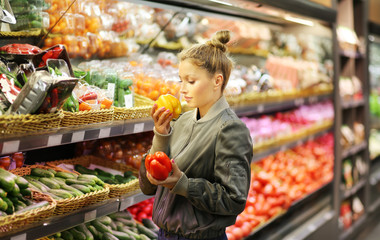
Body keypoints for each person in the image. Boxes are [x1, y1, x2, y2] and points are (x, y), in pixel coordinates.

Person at [139, 30, 253, 240]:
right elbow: (147, 187)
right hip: (163, 235)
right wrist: (160, 135)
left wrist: (183, 184)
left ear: (217, 81)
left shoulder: (230, 129)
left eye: (190, 81)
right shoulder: (181, 120)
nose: (182, 89)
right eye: (181, 80)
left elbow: (234, 199)